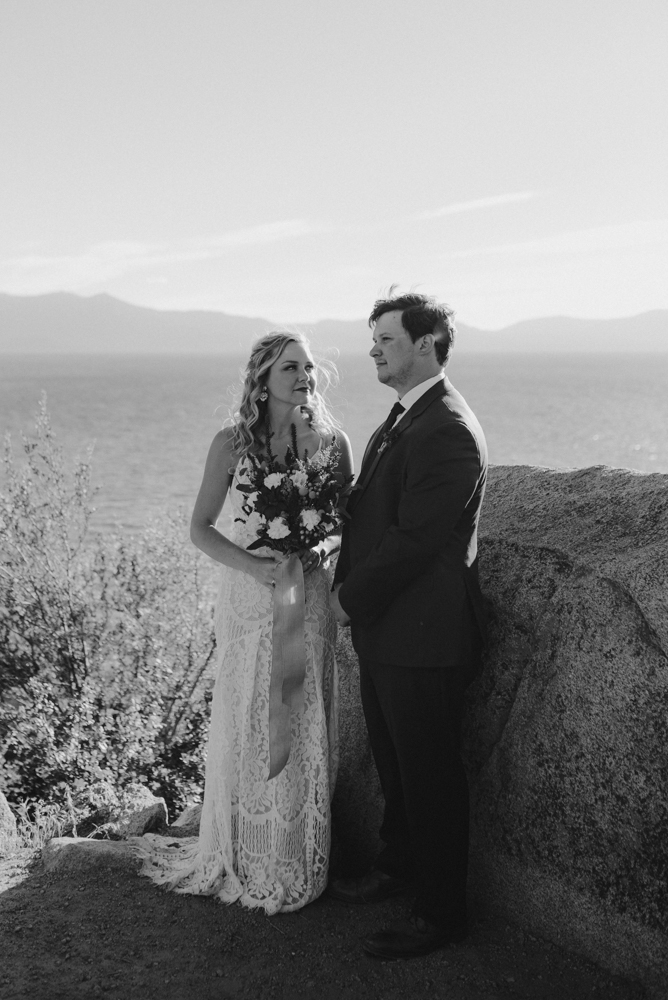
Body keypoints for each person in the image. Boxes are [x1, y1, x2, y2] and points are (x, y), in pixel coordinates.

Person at [133, 331, 353, 915]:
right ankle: (245, 851)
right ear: (263, 379)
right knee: (252, 711)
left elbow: (345, 522)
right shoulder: (231, 444)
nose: (305, 375)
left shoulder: (334, 443)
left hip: (308, 593)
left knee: (304, 710)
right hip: (250, 597)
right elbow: (201, 527)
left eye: (309, 366)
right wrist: (256, 566)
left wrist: (322, 548)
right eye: (290, 367)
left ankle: (295, 854)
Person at [328, 291, 487, 958]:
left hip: (425, 636)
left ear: (426, 344)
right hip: (391, 634)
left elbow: (415, 543)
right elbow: (373, 514)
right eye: (374, 340)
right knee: (395, 766)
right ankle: (399, 868)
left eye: (386, 340)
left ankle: (442, 912)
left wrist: (346, 601)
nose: (373, 350)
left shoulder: (447, 428)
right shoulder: (402, 418)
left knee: (430, 777)